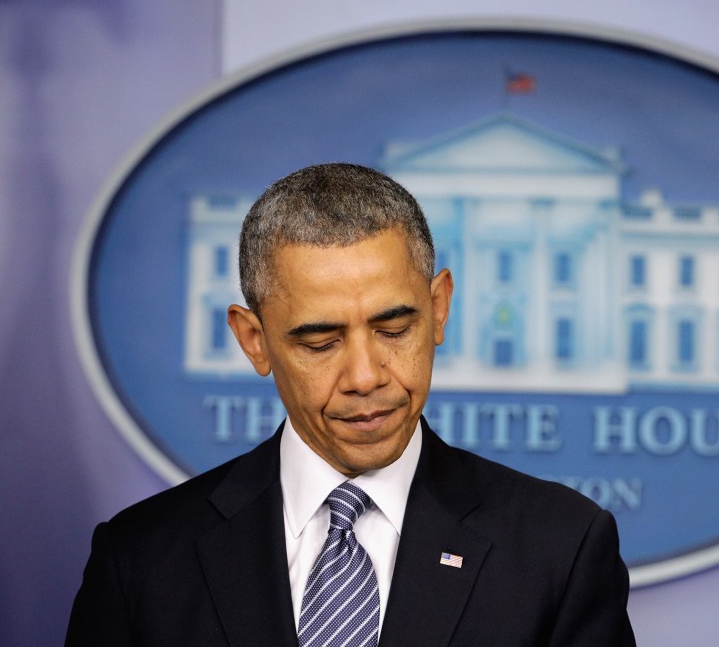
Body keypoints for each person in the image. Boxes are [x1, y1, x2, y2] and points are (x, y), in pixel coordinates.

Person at [66, 163, 636, 646]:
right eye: (320, 343)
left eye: (394, 330)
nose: (365, 377)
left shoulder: (560, 548)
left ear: (439, 309)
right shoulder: (139, 561)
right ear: (254, 341)